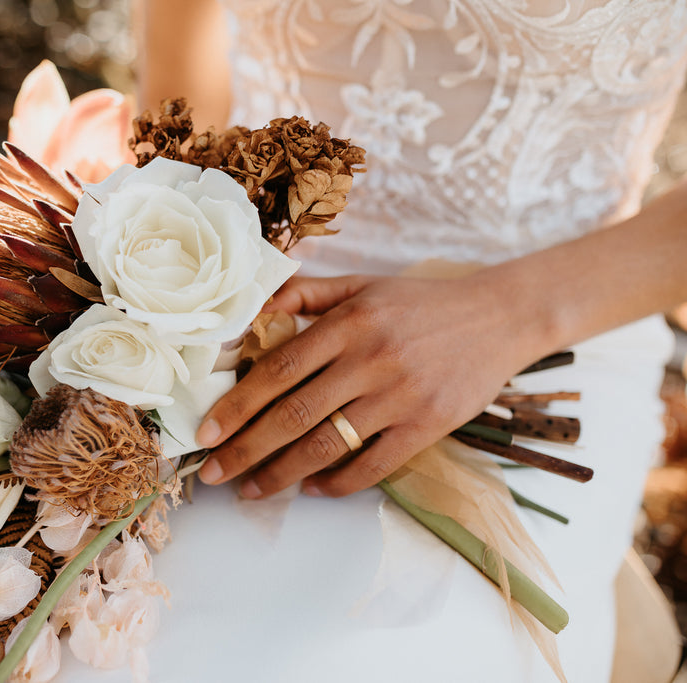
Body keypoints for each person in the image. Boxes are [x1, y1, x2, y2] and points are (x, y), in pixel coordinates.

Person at [53, 1, 687, 681]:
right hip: (253, 300)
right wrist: (194, 271)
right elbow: (188, 61)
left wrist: (506, 314)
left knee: (375, 652)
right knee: (83, 636)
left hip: (550, 326)